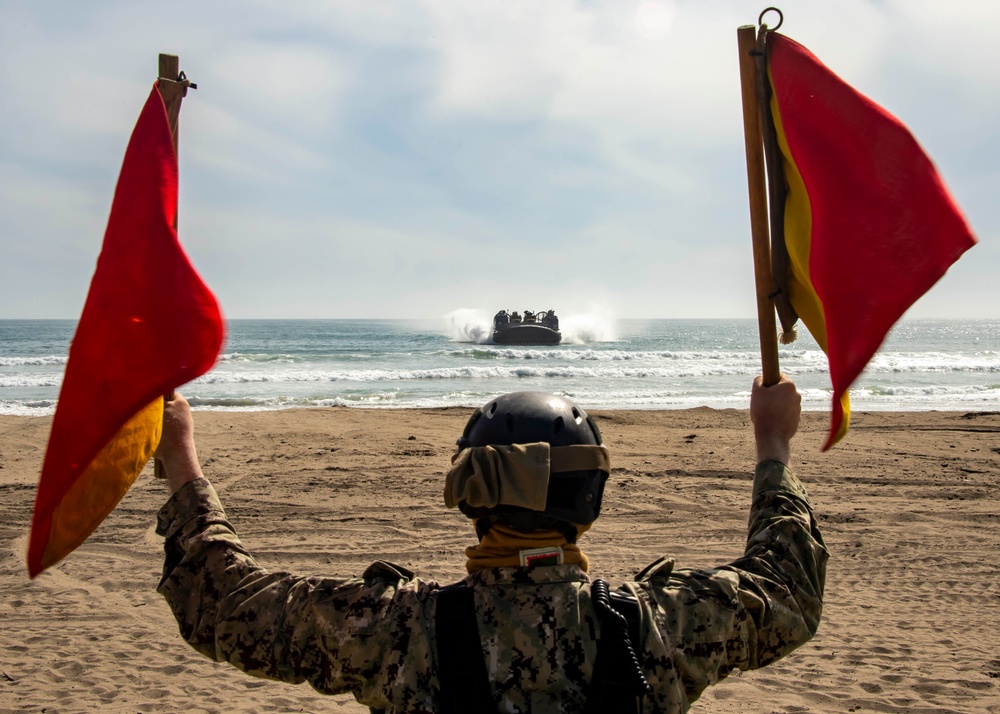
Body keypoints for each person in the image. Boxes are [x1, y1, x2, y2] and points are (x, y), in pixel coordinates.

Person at [154, 375, 826, 713]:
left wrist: (183, 458)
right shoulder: (659, 627)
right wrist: (773, 442)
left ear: (471, 499)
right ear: (587, 502)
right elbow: (786, 589)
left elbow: (228, 606)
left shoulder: (394, 630)